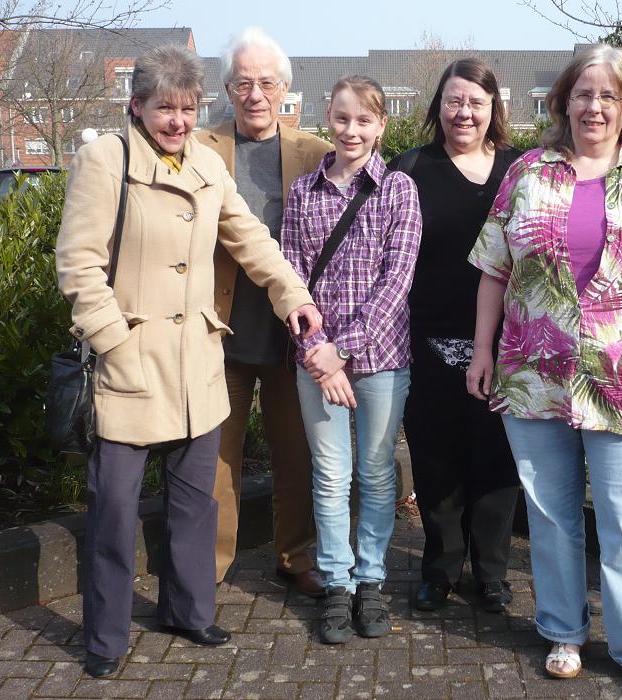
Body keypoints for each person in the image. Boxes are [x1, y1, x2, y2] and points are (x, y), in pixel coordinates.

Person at [55, 45, 321, 679]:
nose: (176, 120)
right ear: (136, 106)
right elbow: (78, 265)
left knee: (194, 501)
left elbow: (250, 238)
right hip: (129, 367)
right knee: (115, 511)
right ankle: (106, 639)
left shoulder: (205, 161)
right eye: (163, 107)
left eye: (186, 107)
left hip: (198, 363)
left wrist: (294, 297)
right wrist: (114, 341)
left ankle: (188, 609)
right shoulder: (105, 160)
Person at [467, 44, 622, 699]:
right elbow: (494, 269)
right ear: (563, 103)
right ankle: (563, 631)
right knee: (549, 516)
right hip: (534, 373)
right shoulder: (527, 174)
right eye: (582, 93)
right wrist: (483, 350)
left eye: (607, 95)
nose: (594, 106)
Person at [281, 75, 421, 644]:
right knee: (332, 474)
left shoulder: (399, 191)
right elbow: (288, 280)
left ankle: (372, 580)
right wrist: (318, 354)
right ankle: (337, 584)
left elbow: (397, 284)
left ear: (381, 125)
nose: (351, 130)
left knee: (377, 472)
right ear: (327, 120)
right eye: (342, 119)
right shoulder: (303, 193)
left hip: (382, 359)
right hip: (317, 362)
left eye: (364, 120)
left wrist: (344, 351)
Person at [196, 27, 333, 598]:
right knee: (215, 458)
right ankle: (211, 566)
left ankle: (294, 554)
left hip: (290, 334)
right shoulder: (201, 148)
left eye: (266, 82)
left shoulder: (316, 153)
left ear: (285, 89)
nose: (255, 94)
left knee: (295, 453)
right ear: (226, 89)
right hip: (219, 331)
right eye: (243, 82)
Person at [389, 59, 521, 614]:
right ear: (437, 107)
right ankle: (440, 570)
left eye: (476, 102)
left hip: (511, 343)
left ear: (494, 110)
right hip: (429, 339)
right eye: (453, 100)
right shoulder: (410, 169)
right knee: (437, 458)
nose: (464, 112)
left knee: (497, 460)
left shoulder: (521, 170)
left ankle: (490, 572)